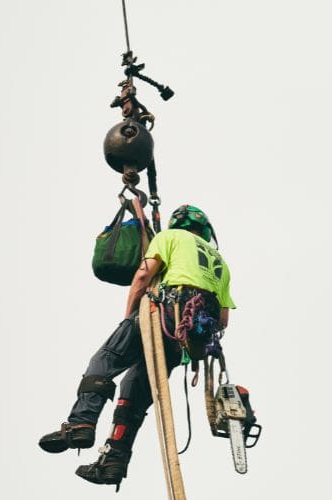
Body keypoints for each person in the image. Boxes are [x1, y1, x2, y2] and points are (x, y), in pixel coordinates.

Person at [38, 204, 236, 490]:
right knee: (135, 389)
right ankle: (114, 460)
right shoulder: (221, 263)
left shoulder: (170, 238)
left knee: (106, 359)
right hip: (185, 339)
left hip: (163, 312)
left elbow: (143, 277)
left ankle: (81, 423)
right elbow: (224, 319)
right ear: (205, 231)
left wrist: (131, 318)